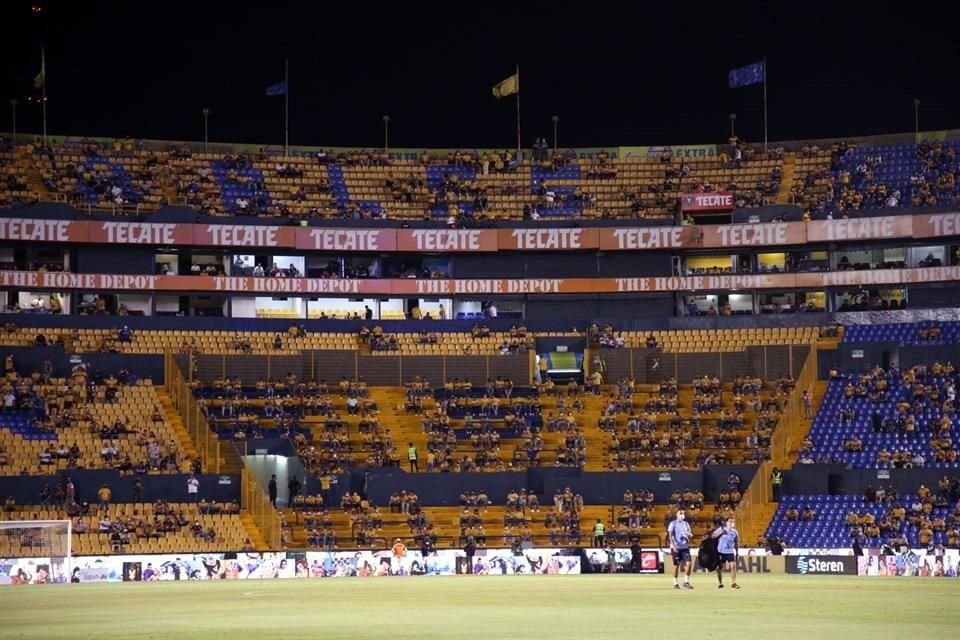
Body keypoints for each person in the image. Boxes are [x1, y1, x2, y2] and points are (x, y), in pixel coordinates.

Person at [667, 508, 693, 589]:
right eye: (680, 513)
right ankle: (675, 583)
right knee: (676, 565)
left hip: (685, 547)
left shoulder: (686, 524)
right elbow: (670, 535)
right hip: (676, 547)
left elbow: (689, 533)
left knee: (689, 564)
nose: (682, 514)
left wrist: (689, 536)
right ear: (676, 514)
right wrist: (673, 545)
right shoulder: (673, 523)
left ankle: (686, 582)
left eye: (683, 513)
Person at [711, 516, 740, 589]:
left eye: (732, 521)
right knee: (719, 568)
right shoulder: (722, 529)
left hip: (730, 551)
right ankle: (720, 583)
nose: (731, 523)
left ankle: (733, 583)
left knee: (733, 566)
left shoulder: (735, 532)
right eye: (730, 521)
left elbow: (736, 543)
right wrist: (720, 533)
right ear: (726, 522)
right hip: (721, 551)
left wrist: (737, 552)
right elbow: (713, 536)